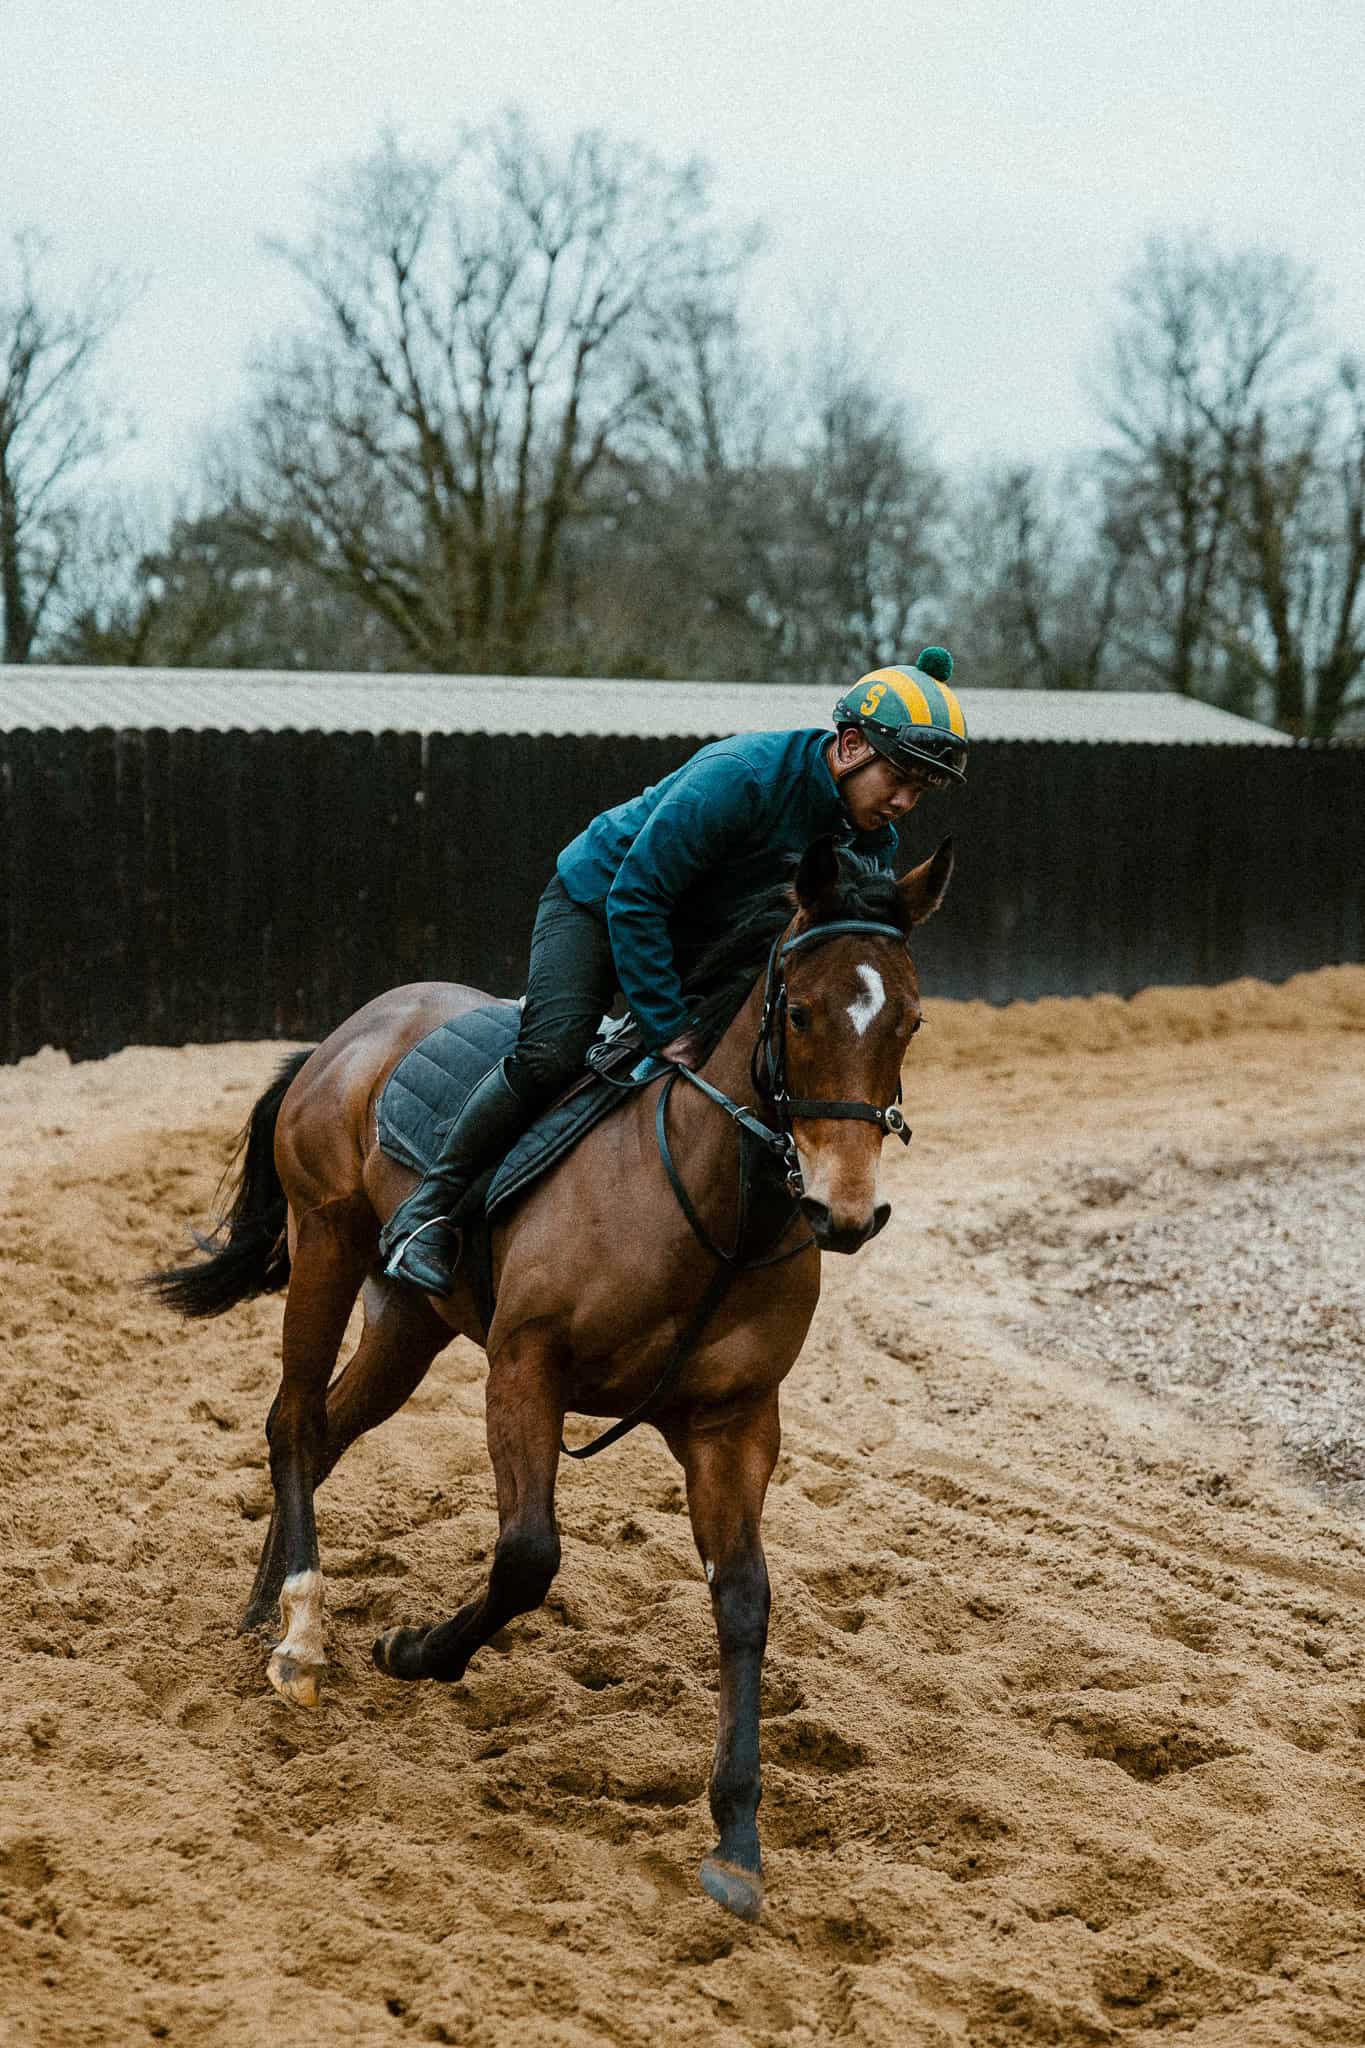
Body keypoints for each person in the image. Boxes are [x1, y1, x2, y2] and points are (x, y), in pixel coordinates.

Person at [380, 647, 969, 1295]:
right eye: (899, 778)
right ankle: (428, 1211)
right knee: (553, 1055)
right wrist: (666, 1025)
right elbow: (635, 897)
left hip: (703, 934)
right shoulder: (740, 777)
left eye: (921, 790)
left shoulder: (874, 841)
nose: (904, 801)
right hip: (601, 901)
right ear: (851, 746)